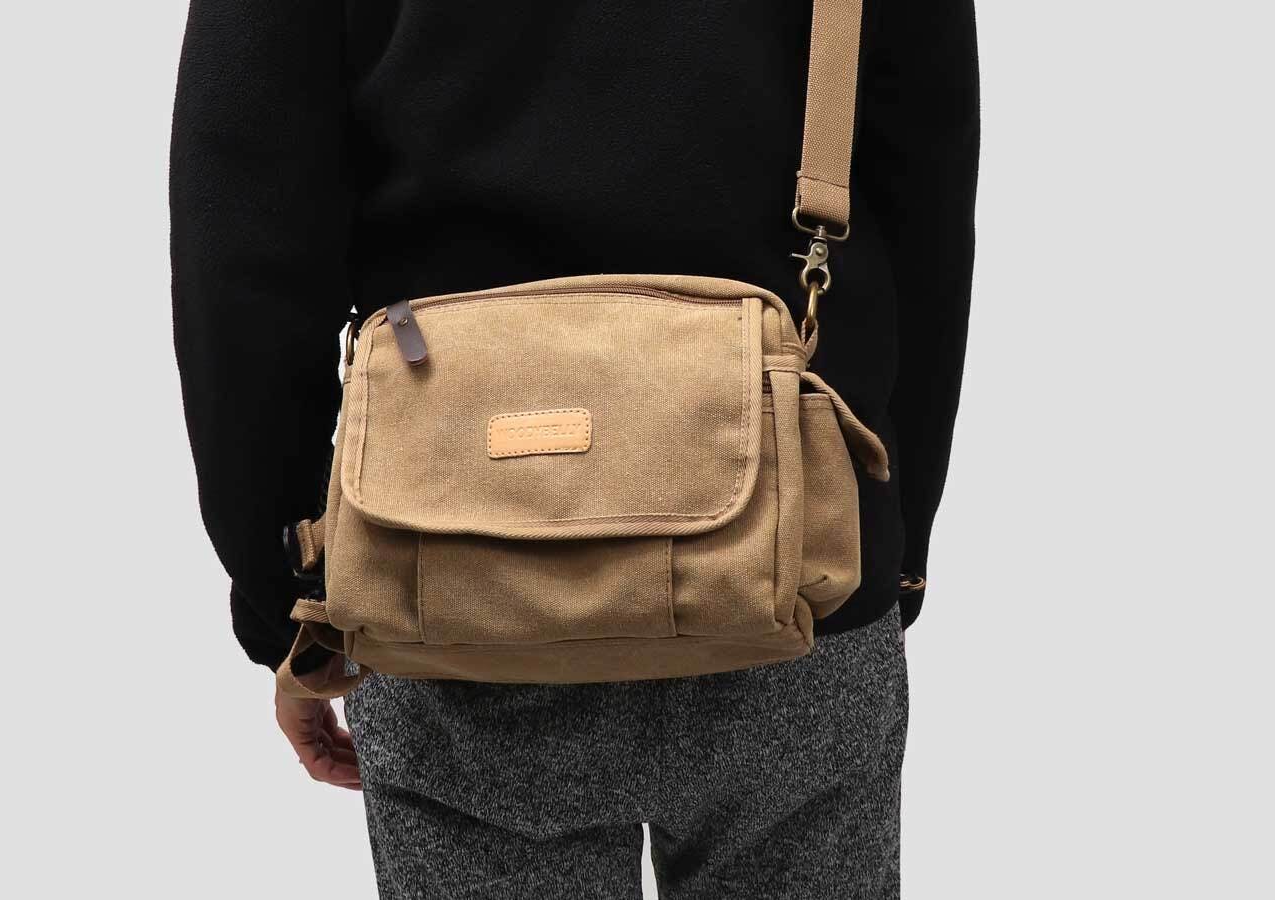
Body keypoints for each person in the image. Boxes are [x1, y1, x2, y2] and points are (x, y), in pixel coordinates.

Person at [170, 1, 978, 896]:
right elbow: (926, 205)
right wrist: (893, 551)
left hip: (448, 579)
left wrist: (289, 608)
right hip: (799, 575)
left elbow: (243, 245)